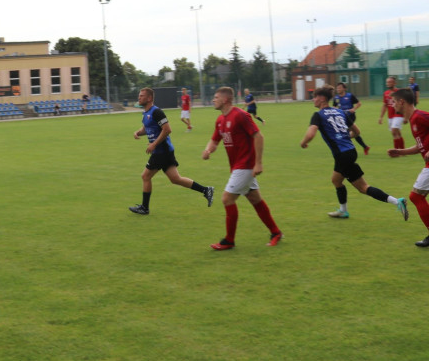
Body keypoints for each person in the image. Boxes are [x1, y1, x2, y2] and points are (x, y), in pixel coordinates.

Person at [301, 86, 407, 220]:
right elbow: (357, 132)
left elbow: (311, 134)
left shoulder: (318, 115)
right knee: (336, 180)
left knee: (363, 188)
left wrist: (303, 142)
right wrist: (344, 136)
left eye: (315, 97)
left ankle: (397, 202)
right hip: (350, 151)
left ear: (322, 99)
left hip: (342, 155)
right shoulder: (340, 112)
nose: (313, 100)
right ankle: (343, 210)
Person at [202, 86, 283, 250]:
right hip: (237, 167)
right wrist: (208, 150)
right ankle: (276, 232)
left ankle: (229, 240)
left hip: (245, 165)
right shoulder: (220, 120)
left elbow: (258, 136)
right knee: (255, 199)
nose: (213, 100)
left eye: (216, 97)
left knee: (227, 198)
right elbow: (215, 140)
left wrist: (258, 162)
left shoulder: (240, 115)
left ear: (225, 100)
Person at [129, 87, 214, 215]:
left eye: (141, 96)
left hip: (161, 151)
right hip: (164, 151)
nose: (139, 98)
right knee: (175, 179)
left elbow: (167, 129)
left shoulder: (157, 112)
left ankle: (144, 208)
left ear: (149, 98)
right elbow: (147, 128)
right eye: (139, 95)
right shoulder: (146, 113)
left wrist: (154, 144)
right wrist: (137, 132)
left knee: (145, 176)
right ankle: (206, 190)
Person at [387, 88, 429, 246]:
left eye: (394, 101)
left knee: (416, 196)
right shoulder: (413, 120)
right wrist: (400, 151)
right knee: (416, 197)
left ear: (401, 102)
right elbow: (420, 146)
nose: (392, 104)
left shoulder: (420, 116)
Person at [334, 82, 370, 155]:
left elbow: (359, 103)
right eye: (337, 88)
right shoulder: (336, 98)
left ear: (344, 88)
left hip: (351, 116)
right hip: (341, 118)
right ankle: (365, 147)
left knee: (346, 133)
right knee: (354, 133)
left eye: (340, 87)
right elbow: (335, 106)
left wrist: (354, 109)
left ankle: (346, 149)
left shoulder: (350, 96)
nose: (338, 89)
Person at [379, 76, 406, 151]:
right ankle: (402, 150)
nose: (388, 83)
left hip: (398, 114)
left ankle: (396, 151)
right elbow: (385, 105)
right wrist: (381, 117)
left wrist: (405, 116)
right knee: (397, 133)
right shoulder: (386, 93)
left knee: (394, 131)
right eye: (387, 82)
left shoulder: (399, 92)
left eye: (390, 82)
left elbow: (404, 104)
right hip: (390, 116)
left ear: (395, 83)